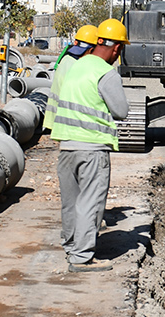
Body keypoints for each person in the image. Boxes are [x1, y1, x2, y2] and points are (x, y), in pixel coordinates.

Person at [49, 18, 128, 270]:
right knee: (90, 202)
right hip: (92, 148)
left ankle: (72, 246)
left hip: (67, 146)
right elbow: (121, 110)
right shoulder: (106, 73)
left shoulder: (76, 65)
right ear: (116, 49)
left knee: (71, 201)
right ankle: (82, 258)